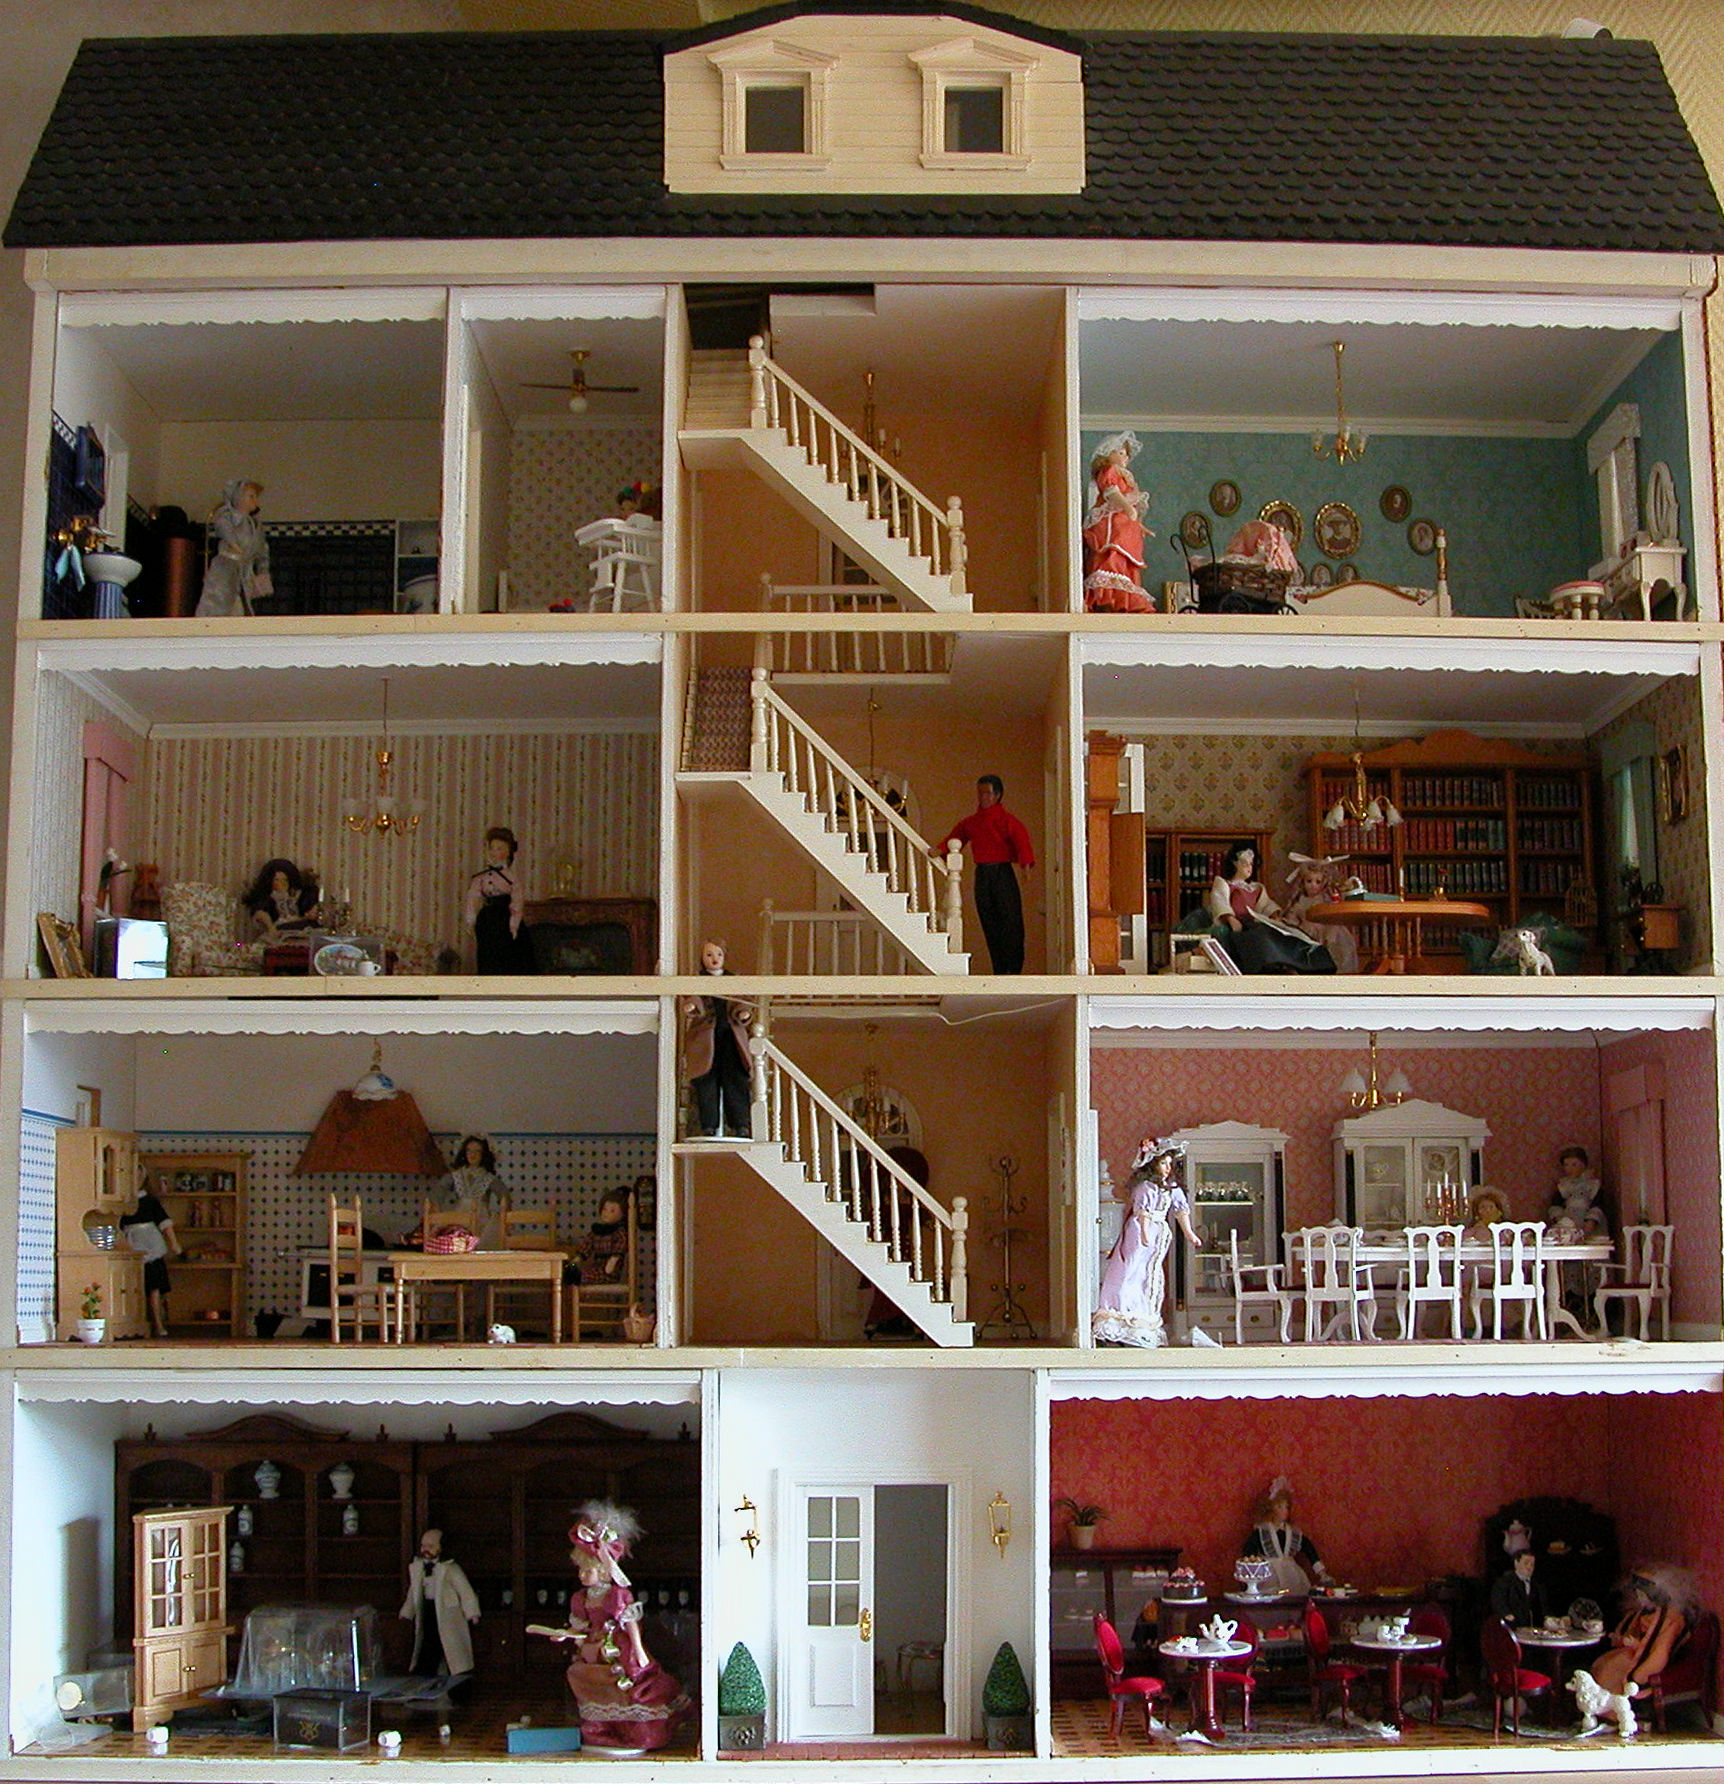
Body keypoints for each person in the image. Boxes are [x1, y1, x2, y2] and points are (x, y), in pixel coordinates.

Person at [529, 1501, 688, 1752]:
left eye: (588, 1570)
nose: (582, 1575)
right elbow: (581, 1625)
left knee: (628, 1682)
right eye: (580, 1570)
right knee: (586, 1678)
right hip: (593, 1645)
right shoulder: (581, 1598)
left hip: (617, 1645)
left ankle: (636, 1729)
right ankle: (602, 1728)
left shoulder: (616, 1595)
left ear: (603, 1571)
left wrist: (638, 1650)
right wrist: (566, 1635)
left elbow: (631, 1623)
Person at [1091, 1138, 1202, 1348]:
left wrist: (1189, 1233)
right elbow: (1143, 1213)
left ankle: (1144, 1315)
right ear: (1152, 1165)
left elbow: (1180, 1211)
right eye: (1163, 1163)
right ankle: (1119, 1315)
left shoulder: (1172, 1188)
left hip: (1158, 1233)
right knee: (1130, 1270)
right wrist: (1143, 1233)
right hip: (1141, 1232)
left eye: (1170, 1164)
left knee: (1150, 1273)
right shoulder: (1146, 1187)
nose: (1168, 1168)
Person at [1571, 1566, 1695, 1738]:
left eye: (1641, 1594)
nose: (1638, 1598)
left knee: (1614, 1668)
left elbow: (1658, 1649)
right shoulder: (1644, 1613)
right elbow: (1634, 1634)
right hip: (1633, 1653)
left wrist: (1636, 1647)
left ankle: (1615, 1714)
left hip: (1643, 1658)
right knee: (1604, 1663)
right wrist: (1623, 1640)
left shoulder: (1670, 1619)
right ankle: (1599, 1710)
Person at [941, 775, 1035, 975]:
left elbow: (1021, 840)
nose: (983, 797)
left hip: (1002, 873)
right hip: (983, 874)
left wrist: (1025, 865)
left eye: (987, 793)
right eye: (980, 793)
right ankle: (999, 969)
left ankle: (1013, 969)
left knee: (1010, 921)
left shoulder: (1007, 821)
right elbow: (955, 838)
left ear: (997, 795)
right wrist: (939, 850)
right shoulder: (971, 822)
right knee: (989, 922)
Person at [1207, 842, 1335, 974]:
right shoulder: (1224, 884)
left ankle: (1308, 966)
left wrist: (1274, 915)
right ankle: (1272, 965)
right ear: (1234, 863)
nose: (1249, 868)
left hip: (1255, 921)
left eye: (1251, 864)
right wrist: (1230, 918)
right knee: (1261, 936)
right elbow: (1219, 900)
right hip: (1239, 925)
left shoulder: (1256, 887)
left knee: (1286, 934)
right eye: (1245, 864)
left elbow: (1266, 905)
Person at [681, 940, 754, 1137]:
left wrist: (743, 1012)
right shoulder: (698, 980)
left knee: (735, 1078)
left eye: (718, 954)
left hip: (730, 1036)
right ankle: (708, 1124)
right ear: (702, 958)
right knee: (706, 1080)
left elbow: (743, 1001)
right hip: (706, 1038)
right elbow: (693, 997)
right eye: (709, 955)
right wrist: (692, 1006)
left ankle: (740, 1123)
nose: (714, 959)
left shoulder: (733, 980)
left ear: (724, 957)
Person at [1081, 431, 1153, 612]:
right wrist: (1127, 508)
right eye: (1120, 453)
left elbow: (1130, 501)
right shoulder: (1109, 471)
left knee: (1127, 556)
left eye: (1126, 454)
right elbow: (1111, 492)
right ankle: (1108, 595)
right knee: (1113, 551)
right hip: (1113, 522)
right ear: (1108, 454)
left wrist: (1139, 526)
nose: (1125, 457)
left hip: (1126, 524)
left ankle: (1124, 597)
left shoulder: (1125, 475)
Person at [399, 1528, 480, 1682]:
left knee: (454, 1652)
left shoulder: (450, 1569)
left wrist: (472, 1613)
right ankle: (425, 1682)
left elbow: (466, 1592)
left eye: (431, 1546)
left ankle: (458, 1684)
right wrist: (407, 1612)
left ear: (441, 1548)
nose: (426, 1550)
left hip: (447, 1615)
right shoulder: (418, 1568)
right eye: (423, 1546)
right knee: (427, 1648)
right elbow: (413, 1593)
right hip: (427, 1611)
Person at [1241, 1476, 1333, 1594]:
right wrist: (1252, 1573)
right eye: (1279, 1507)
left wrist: (1322, 1573)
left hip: (1292, 1574)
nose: (1284, 1511)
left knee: (1296, 1594)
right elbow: (1249, 1552)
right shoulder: (1262, 1532)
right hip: (1269, 1575)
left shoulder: (1293, 1533)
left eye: (1286, 1507)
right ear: (1270, 1509)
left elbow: (1309, 1550)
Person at [195, 478, 272, 616]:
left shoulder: (255, 525)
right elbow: (223, 527)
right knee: (219, 598)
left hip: (244, 569)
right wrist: (233, 543)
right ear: (238, 497)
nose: (254, 500)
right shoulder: (228, 516)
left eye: (255, 497)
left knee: (241, 602)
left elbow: (262, 549)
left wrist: (263, 570)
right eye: (250, 496)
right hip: (226, 567)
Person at [463, 826, 532, 974]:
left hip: (504, 919)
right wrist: (471, 920)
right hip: (486, 919)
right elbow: (473, 898)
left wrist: (514, 925)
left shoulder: (511, 877)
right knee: (487, 955)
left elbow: (517, 902)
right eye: (491, 848)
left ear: (508, 852)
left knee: (506, 955)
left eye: (499, 848)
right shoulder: (480, 877)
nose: (494, 852)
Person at [120, 1180, 181, 1339]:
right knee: (132, 1288)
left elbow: (165, 1223)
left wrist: (174, 1243)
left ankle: (158, 1323)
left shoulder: (150, 1201)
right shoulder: (120, 1202)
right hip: (129, 1247)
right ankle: (134, 1322)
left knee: (155, 1288)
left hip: (152, 1247)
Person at [1282, 853, 1361, 974]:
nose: (1313, 885)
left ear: (1324, 883)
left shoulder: (1325, 900)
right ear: (1302, 882)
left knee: (1335, 946)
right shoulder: (1300, 902)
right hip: (1305, 935)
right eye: (1309, 881)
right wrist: (1289, 923)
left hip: (1326, 933)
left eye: (1318, 882)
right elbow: (1292, 917)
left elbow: (1332, 915)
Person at [439, 1135, 511, 1249]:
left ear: (483, 1154)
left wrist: (503, 1213)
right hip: (460, 1218)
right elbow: (439, 1191)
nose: (473, 1155)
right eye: (469, 1151)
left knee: (480, 1244)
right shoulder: (457, 1176)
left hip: (481, 1219)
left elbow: (504, 1196)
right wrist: (437, 1209)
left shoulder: (488, 1178)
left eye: (477, 1151)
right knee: (459, 1244)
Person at [243, 858, 320, 939]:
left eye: (285, 880)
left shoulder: (297, 895)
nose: (282, 884)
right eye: (277, 880)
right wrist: (271, 928)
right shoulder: (268, 899)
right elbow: (261, 913)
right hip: (280, 931)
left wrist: (310, 913)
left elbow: (310, 912)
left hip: (302, 930)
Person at [574, 1191, 631, 1284]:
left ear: (622, 1214)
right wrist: (578, 1259)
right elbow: (587, 1245)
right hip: (595, 1268)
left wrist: (613, 1260)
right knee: (576, 1273)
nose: (606, 1213)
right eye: (604, 1209)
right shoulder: (596, 1231)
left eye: (612, 1211)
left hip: (610, 1272)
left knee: (581, 1276)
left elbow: (620, 1248)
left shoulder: (618, 1232)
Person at [1489, 1549, 1548, 1629]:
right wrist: (1507, 1615)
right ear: (1516, 1563)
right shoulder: (1504, 1582)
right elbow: (1498, 1602)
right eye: (1526, 1563)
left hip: (1533, 1629)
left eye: (1532, 1565)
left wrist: (1547, 1618)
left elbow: (1543, 1607)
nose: (1529, 1567)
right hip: (1512, 1627)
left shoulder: (1537, 1585)